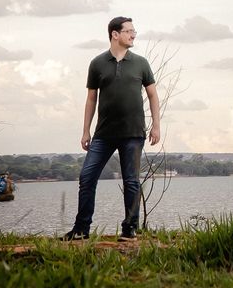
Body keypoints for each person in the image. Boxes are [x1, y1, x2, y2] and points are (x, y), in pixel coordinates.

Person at [63, 16, 161, 241]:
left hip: (133, 133)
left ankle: (130, 229)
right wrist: (86, 130)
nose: (133, 35)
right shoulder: (97, 63)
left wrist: (156, 125)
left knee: (131, 181)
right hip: (104, 134)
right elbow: (91, 99)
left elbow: (153, 95)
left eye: (134, 31)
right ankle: (81, 229)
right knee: (87, 177)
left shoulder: (141, 63)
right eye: (128, 31)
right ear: (115, 34)